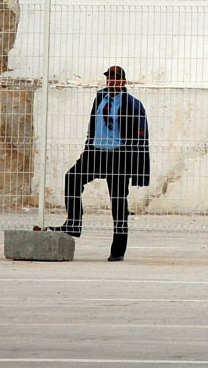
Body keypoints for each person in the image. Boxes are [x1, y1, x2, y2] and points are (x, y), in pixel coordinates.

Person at [48, 65, 150, 261]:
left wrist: (136, 166)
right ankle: (74, 223)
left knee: (119, 202)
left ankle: (118, 251)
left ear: (123, 82)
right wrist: (88, 147)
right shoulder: (100, 99)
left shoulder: (132, 104)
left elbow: (140, 137)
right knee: (72, 177)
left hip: (119, 156)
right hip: (96, 152)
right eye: (109, 78)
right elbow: (93, 125)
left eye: (116, 78)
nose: (111, 82)